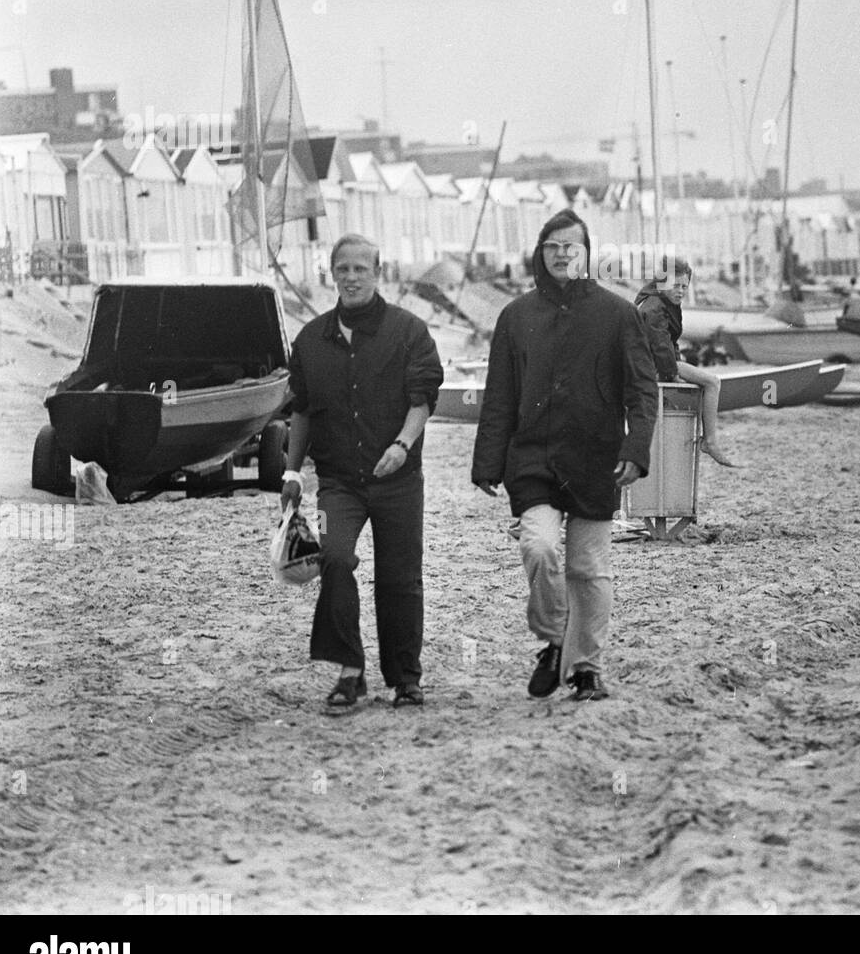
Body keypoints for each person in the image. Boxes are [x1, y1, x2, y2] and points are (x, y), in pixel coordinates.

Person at [471, 211, 658, 702]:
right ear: (540, 252)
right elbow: (499, 395)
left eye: (570, 247)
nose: (561, 254)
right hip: (532, 458)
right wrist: (487, 461)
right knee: (538, 546)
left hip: (596, 458)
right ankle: (554, 640)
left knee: (588, 569)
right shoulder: (516, 316)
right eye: (552, 246)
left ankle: (586, 669)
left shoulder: (619, 315)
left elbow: (642, 389)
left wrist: (636, 449)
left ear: (587, 253)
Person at [281, 233, 444, 712]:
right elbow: (302, 412)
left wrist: (402, 444)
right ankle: (350, 672)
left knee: (399, 578)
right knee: (333, 556)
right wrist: (291, 474)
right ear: (332, 274)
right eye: (343, 269)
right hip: (338, 484)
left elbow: (423, 400)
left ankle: (405, 680)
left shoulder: (409, 332)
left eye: (361, 269)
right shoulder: (311, 340)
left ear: (378, 273)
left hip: (398, 481)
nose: (351, 277)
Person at [634, 257, 740, 468]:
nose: (681, 290)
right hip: (647, 365)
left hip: (653, 361)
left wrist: (678, 370)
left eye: (684, 286)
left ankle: (706, 438)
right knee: (712, 382)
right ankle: (709, 441)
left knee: (701, 383)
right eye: (675, 285)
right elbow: (661, 349)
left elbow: (669, 342)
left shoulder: (661, 300)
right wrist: (673, 376)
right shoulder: (654, 308)